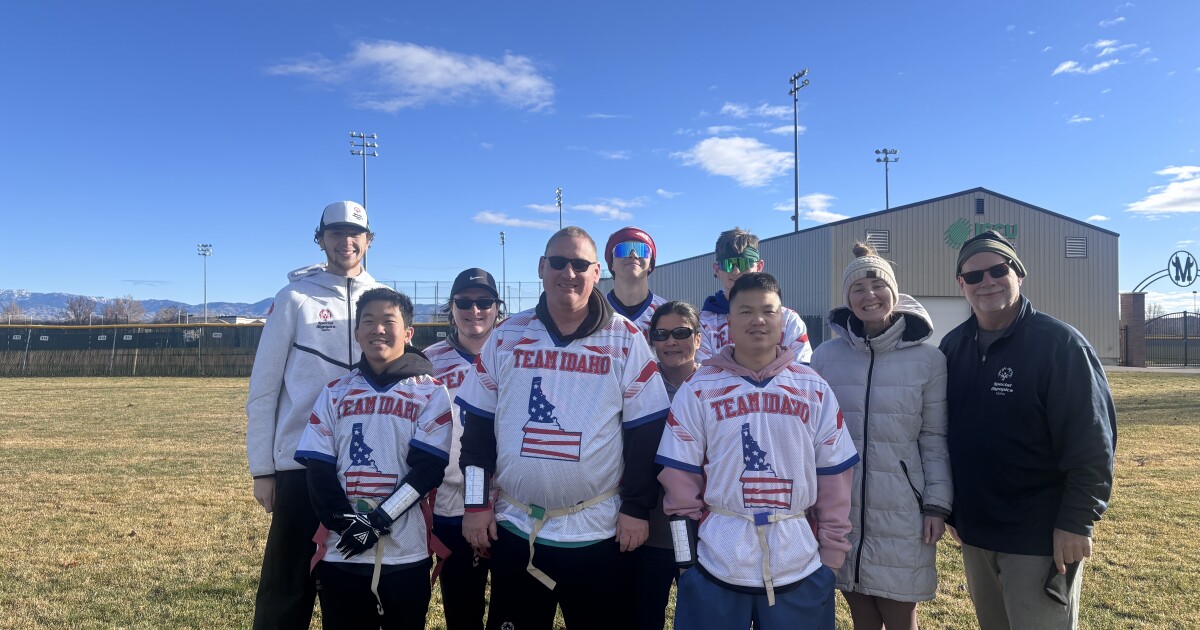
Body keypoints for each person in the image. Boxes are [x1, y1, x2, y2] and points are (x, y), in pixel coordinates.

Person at [455, 226, 671, 630]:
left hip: (599, 529)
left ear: (596, 274)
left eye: (579, 265)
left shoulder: (624, 338)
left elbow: (646, 433)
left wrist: (636, 508)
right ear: (542, 267)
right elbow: (477, 434)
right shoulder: (507, 336)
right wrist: (474, 504)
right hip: (518, 528)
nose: (568, 273)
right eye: (558, 262)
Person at [657, 272, 858, 630]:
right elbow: (678, 481)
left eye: (768, 310)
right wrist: (686, 564)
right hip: (715, 565)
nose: (758, 320)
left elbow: (835, 478)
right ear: (728, 322)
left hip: (800, 566)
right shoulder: (699, 387)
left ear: (783, 319)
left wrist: (830, 563)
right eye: (746, 311)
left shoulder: (813, 387)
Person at [939, 230, 1116, 630]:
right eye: (974, 276)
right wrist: (952, 509)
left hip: (1039, 535)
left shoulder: (1059, 346)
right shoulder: (953, 347)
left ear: (1019, 274)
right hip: (977, 533)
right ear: (960, 285)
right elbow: (944, 434)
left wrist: (1076, 522)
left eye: (998, 270)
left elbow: (1093, 443)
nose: (987, 282)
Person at [246, 200, 384, 629]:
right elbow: (264, 388)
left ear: (369, 240)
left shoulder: (382, 298)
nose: (346, 242)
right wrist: (263, 469)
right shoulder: (293, 298)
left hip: (362, 466)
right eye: (336, 233)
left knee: (353, 584)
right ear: (320, 239)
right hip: (300, 466)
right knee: (288, 587)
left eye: (355, 233)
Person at [809, 243, 952, 630]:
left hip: (903, 507)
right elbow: (814, 436)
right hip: (843, 505)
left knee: (900, 610)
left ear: (894, 291)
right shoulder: (825, 357)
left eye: (877, 285)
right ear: (847, 299)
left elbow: (935, 437)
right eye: (858, 288)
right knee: (859, 607)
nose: (869, 295)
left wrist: (936, 505)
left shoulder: (929, 360)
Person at [295, 287, 453, 630]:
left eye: (388, 321)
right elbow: (319, 468)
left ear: (408, 333)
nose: (377, 329)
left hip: (405, 551)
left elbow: (427, 470)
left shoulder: (429, 391)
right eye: (368, 321)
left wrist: (379, 521)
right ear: (356, 332)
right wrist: (345, 523)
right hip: (342, 552)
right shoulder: (335, 391)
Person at [424, 268, 505, 630]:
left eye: (484, 302)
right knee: (462, 607)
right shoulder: (427, 361)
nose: (475, 310)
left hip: (509, 500)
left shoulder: (515, 352)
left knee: (510, 610)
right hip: (451, 501)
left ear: (496, 307)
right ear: (451, 308)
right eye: (464, 303)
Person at [618, 300, 703, 630]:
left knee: (698, 618)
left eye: (681, 332)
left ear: (698, 337)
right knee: (641, 617)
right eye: (662, 333)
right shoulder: (632, 386)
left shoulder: (718, 387)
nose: (670, 341)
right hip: (645, 528)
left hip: (702, 531)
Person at [697, 227, 811, 363]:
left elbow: (802, 369)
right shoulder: (703, 323)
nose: (736, 271)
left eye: (744, 263)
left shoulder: (788, 319)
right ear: (716, 269)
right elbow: (704, 372)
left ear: (759, 266)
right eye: (728, 264)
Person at [603, 226, 667, 334]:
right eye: (623, 249)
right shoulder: (593, 311)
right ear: (611, 264)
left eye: (642, 250)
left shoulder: (667, 313)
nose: (633, 255)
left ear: (651, 264)